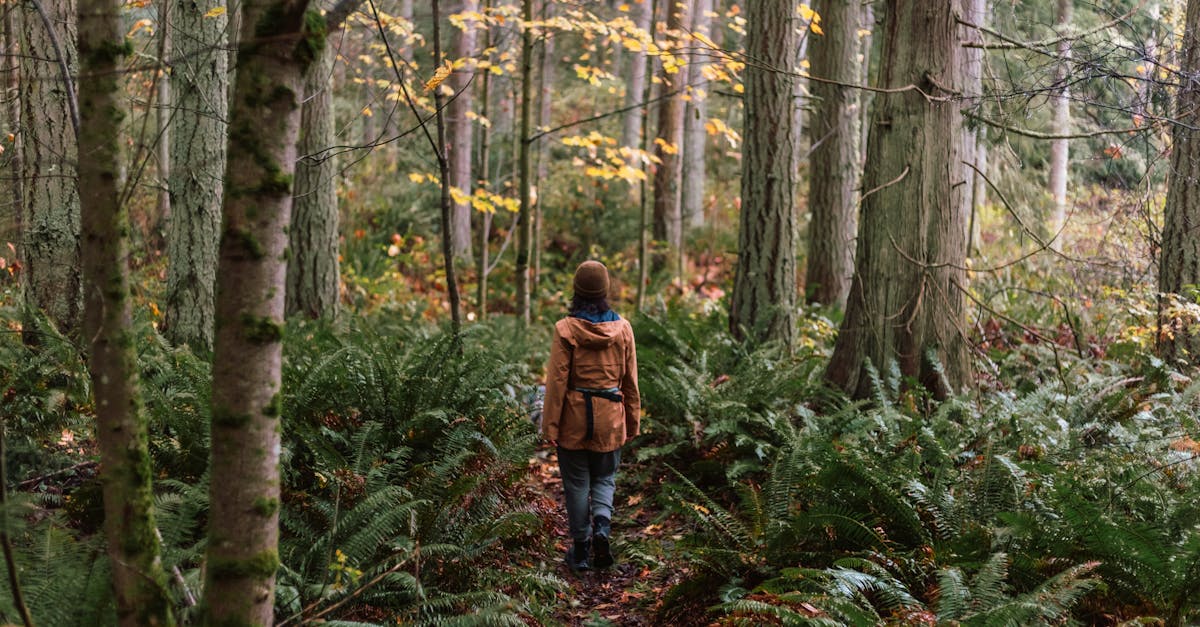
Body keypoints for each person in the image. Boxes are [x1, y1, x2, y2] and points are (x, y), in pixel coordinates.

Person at [542, 260, 640, 571]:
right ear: (605, 290)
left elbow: (557, 382)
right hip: (610, 417)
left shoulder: (565, 329)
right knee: (605, 477)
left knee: (575, 484)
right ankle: (602, 526)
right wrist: (633, 420)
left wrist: (550, 426)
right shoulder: (623, 329)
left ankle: (581, 550)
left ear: (576, 290)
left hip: (573, 417)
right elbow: (630, 381)